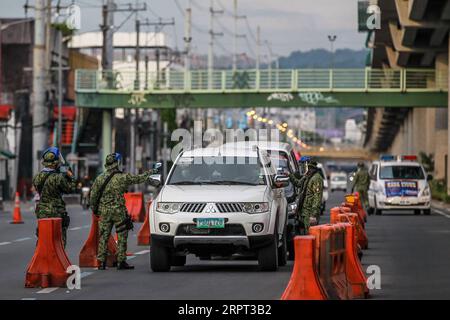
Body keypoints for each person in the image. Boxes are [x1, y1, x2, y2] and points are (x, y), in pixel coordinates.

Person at [90, 153, 161, 270]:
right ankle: (121, 261)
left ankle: (101, 262)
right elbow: (138, 178)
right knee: (122, 236)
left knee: (103, 236)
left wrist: (95, 210)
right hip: (119, 212)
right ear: (117, 163)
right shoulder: (123, 177)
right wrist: (151, 172)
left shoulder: (99, 178)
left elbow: (93, 196)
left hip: (104, 212)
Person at [32, 147, 77, 248]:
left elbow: (39, 189)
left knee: (42, 237)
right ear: (55, 163)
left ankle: (41, 258)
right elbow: (70, 189)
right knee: (60, 239)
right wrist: (71, 177)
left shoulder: (37, 177)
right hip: (57, 211)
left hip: (42, 211)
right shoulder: (58, 178)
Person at [289, 157, 324, 234]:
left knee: (311, 233)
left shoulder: (316, 178)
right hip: (304, 211)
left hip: (310, 212)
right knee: (306, 233)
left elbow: (317, 197)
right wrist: (290, 176)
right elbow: (298, 183)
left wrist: (313, 215)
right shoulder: (307, 176)